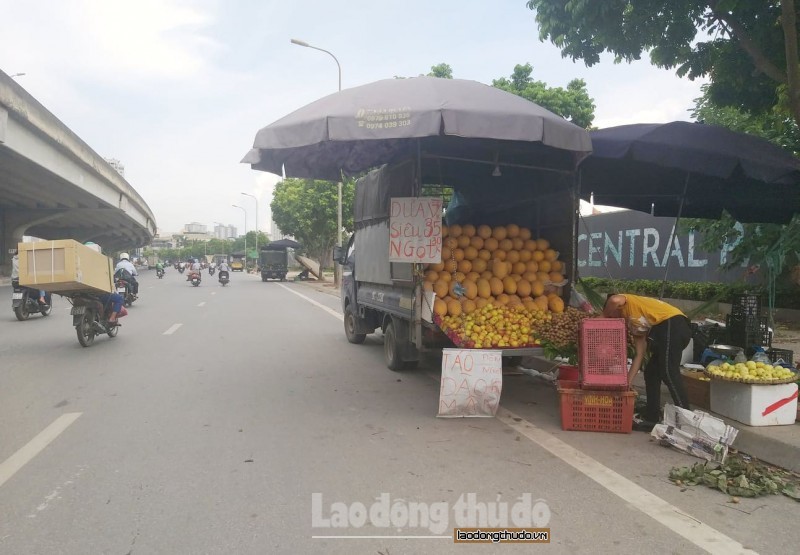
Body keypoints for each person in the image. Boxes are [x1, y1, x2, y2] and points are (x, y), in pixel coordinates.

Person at [603, 293, 692, 430]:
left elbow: (614, 299)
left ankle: (687, 419)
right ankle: (652, 417)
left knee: (668, 371)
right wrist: (626, 384)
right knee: (651, 373)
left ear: (615, 309)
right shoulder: (634, 325)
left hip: (673, 324)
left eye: (611, 316)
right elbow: (639, 355)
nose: (611, 320)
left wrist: (603, 316)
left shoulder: (627, 302)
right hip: (667, 331)